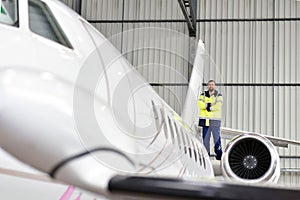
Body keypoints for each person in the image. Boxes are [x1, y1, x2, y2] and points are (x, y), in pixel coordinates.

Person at [198, 80, 223, 160]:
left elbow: (218, 106)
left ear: (214, 86)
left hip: (215, 121)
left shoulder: (218, 95)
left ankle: (219, 156)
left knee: (217, 140)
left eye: (212, 85)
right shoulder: (203, 95)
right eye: (209, 85)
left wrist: (208, 107)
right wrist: (209, 105)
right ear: (207, 86)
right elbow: (199, 104)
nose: (211, 86)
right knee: (205, 140)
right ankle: (206, 157)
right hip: (205, 122)